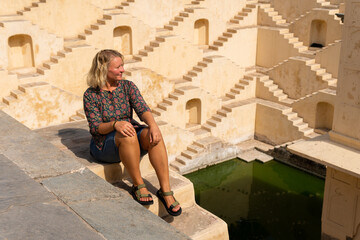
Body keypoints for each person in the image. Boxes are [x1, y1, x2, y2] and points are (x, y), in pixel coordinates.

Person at [83, 49, 181, 216]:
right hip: (103, 146)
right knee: (127, 135)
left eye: (122, 66)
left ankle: (165, 191)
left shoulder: (128, 86)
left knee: (153, 134)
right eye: (118, 67)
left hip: (130, 136)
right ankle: (138, 185)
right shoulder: (91, 95)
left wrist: (154, 126)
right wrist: (115, 124)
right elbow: (95, 127)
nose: (122, 70)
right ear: (104, 69)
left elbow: (142, 109)